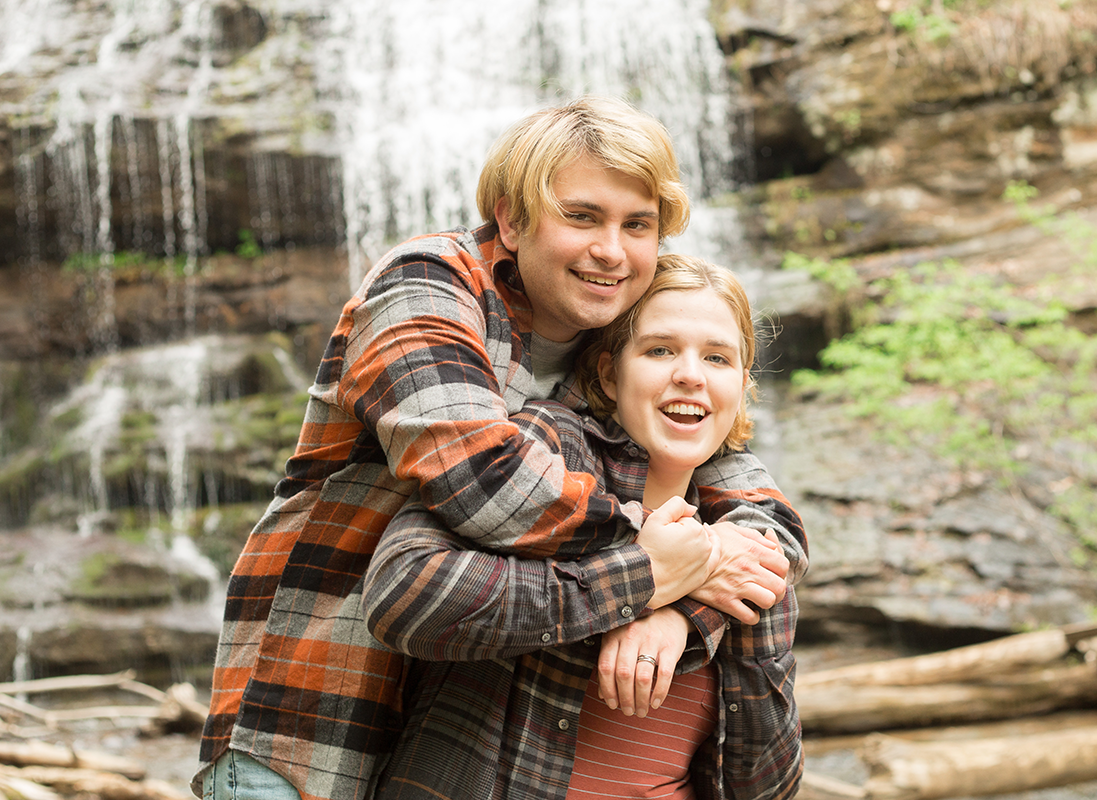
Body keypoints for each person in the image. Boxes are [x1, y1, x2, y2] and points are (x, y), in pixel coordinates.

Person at [193, 96, 804, 800]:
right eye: (582, 216)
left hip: (451, 718)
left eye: (637, 225)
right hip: (312, 712)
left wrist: (686, 599)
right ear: (511, 219)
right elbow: (488, 484)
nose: (611, 249)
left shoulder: (604, 339)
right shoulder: (427, 287)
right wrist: (670, 564)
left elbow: (746, 493)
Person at [363, 254, 804, 799]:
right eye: (660, 349)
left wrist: (686, 615)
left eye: (717, 358)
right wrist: (642, 580)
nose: (690, 374)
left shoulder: (748, 539)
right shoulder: (541, 454)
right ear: (609, 373)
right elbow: (405, 594)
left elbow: (765, 787)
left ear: (740, 385)